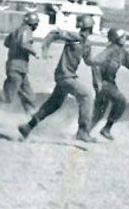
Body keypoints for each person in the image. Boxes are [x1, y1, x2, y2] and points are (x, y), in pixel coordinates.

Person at [18, 14, 96, 143]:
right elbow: (54, 33)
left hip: (65, 76)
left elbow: (89, 61)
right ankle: (83, 131)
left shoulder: (86, 43)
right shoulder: (75, 38)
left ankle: (28, 126)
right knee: (87, 95)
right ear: (91, 27)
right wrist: (44, 49)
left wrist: (101, 62)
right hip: (65, 76)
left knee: (53, 104)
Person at [89, 28, 129, 140]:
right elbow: (94, 62)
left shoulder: (122, 52)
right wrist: (97, 82)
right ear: (116, 39)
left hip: (110, 83)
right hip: (104, 84)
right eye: (122, 37)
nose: (125, 39)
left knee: (99, 112)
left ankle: (84, 131)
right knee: (121, 101)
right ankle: (106, 129)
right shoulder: (110, 50)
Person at [2, 10, 40, 111]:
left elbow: (6, 43)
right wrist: (35, 53)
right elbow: (24, 44)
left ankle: (30, 113)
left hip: (14, 66)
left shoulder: (16, 30)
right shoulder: (27, 30)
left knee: (27, 92)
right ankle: (0, 111)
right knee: (11, 93)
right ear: (34, 24)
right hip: (18, 67)